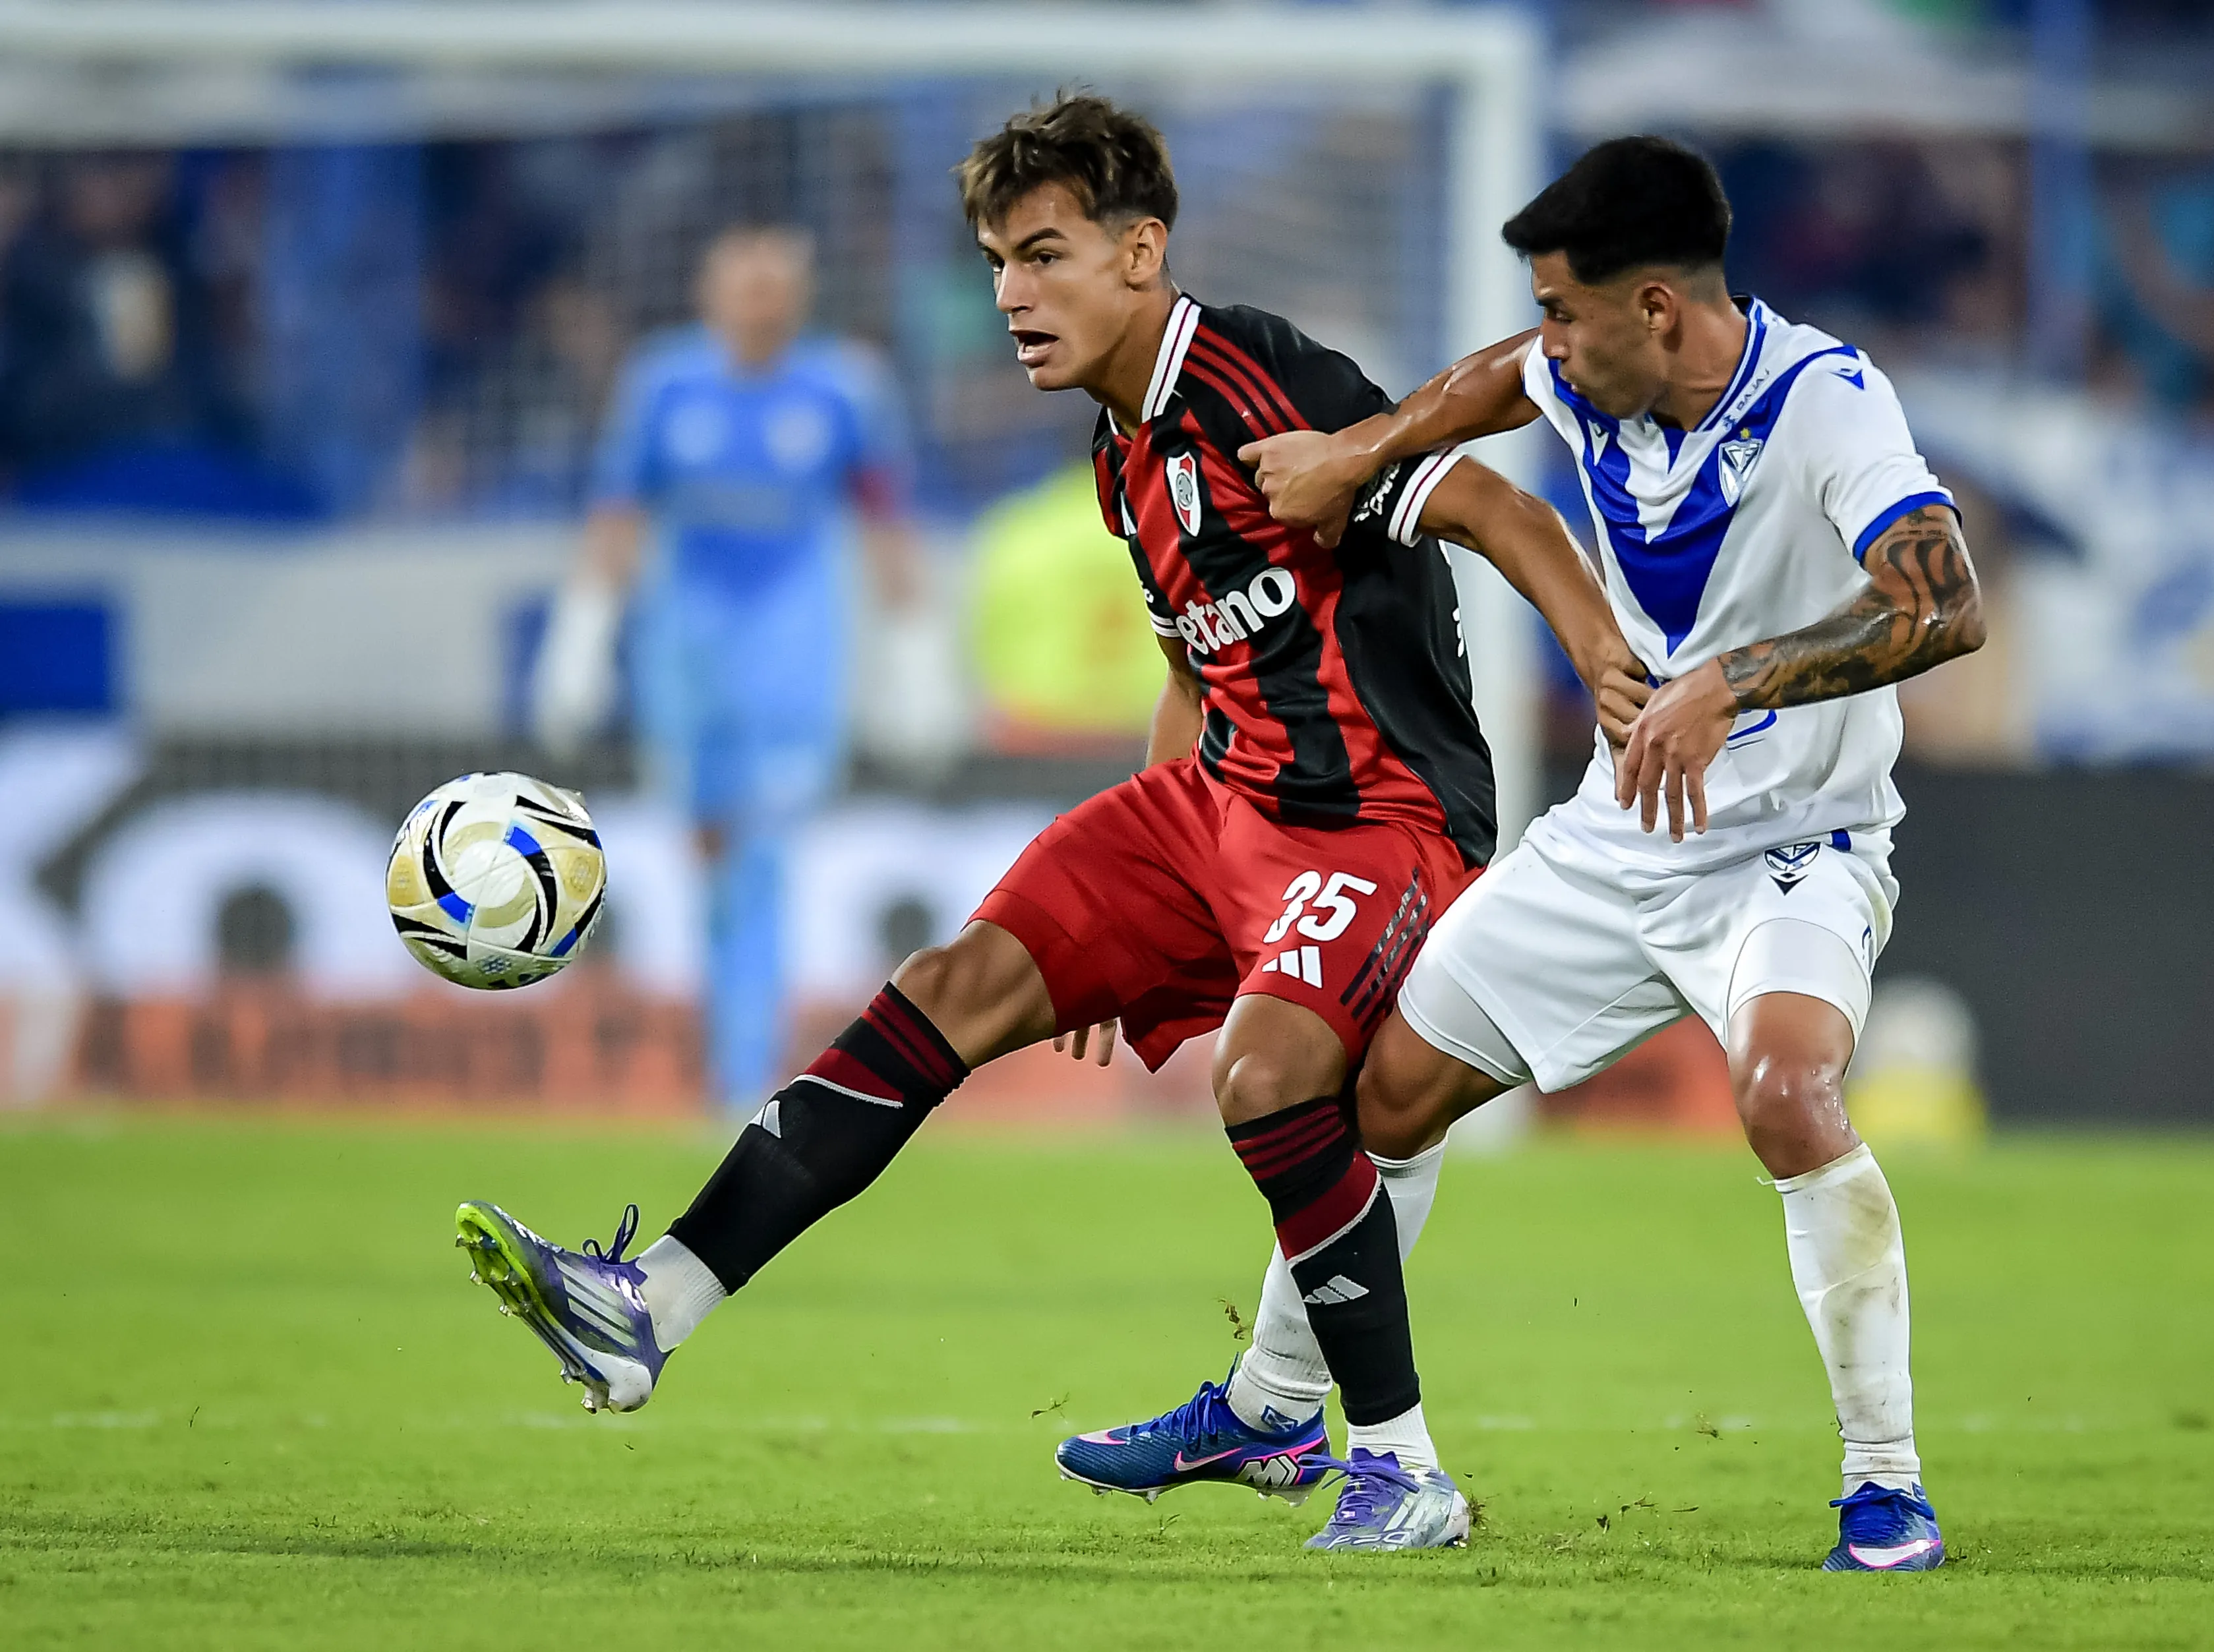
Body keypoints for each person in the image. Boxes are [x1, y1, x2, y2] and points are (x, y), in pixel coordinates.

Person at [459, 95, 1645, 1553]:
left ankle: (1399, 1468)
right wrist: (1152, 913)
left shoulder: (1254, 377)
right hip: (1217, 804)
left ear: (1140, 251)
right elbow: (1188, 656)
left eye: (1042, 254)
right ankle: (651, 1306)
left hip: (1376, 818)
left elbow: (1485, 504)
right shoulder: (1118, 450)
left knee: (1269, 1080)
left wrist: (1601, 664)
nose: (1010, 295)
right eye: (993, 262)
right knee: (948, 986)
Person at [1093, 135, 1983, 1574]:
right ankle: (1272, 1404)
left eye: (1566, 307)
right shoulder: (1581, 367)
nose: (1546, 338)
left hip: (1794, 846)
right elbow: (1495, 375)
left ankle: (1885, 1492)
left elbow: (1946, 610)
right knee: (1381, 1091)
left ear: (1655, 307)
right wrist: (1361, 448)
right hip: (1616, 835)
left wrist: (1729, 678)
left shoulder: (1826, 405)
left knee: (1785, 1089)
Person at [532, 226, 918, 1113]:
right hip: (686, 658)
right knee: (709, 858)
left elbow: (887, 519)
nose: (762, 303)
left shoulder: (844, 388)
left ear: (800, 296)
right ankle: (724, 1067)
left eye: (776, 286)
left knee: (769, 856)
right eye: (745, 287)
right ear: (711, 294)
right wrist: (583, 635)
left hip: (794, 656)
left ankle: (751, 1075)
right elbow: (619, 513)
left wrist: (912, 650)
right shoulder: (663, 383)